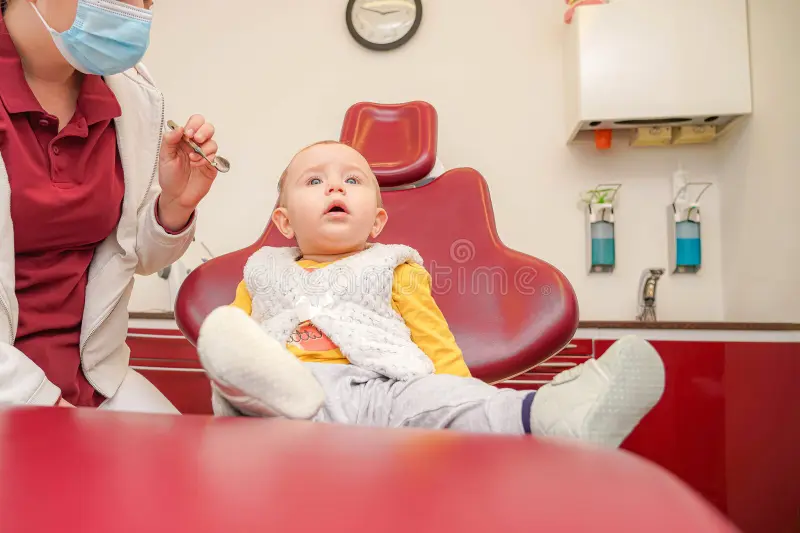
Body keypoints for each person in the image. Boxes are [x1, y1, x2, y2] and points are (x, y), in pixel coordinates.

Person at [196, 140, 666, 447]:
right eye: (314, 180)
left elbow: (434, 340)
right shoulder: (262, 271)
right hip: (278, 402)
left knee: (438, 402)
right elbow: (235, 343)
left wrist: (457, 390)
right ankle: (281, 403)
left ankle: (547, 413)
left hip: (379, 391)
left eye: (353, 180)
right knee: (239, 366)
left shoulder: (392, 266)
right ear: (283, 221)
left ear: (376, 221)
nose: (335, 184)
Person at [0, 0, 222, 412]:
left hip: (95, 373)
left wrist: (172, 208)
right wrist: (45, 409)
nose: (141, 9)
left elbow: (130, 256)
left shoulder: (130, 97)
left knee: (189, 468)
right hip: (9, 384)